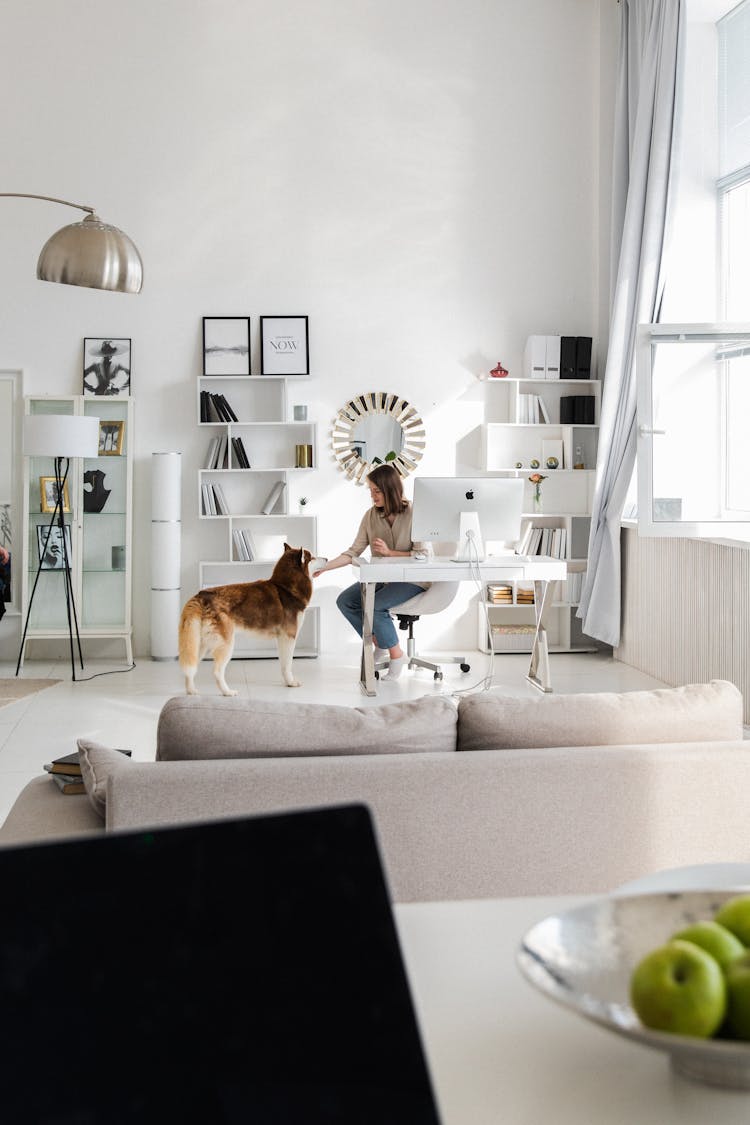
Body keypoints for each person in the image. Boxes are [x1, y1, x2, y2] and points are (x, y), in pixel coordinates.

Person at [313, 464, 427, 680]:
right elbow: (353, 552)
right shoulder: (370, 516)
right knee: (345, 601)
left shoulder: (415, 513)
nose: (372, 496)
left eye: (377, 491)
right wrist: (325, 567)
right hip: (383, 579)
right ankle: (380, 642)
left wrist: (389, 553)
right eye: (370, 491)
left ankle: (396, 655)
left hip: (413, 579)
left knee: (374, 605)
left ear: (390, 490)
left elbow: (422, 554)